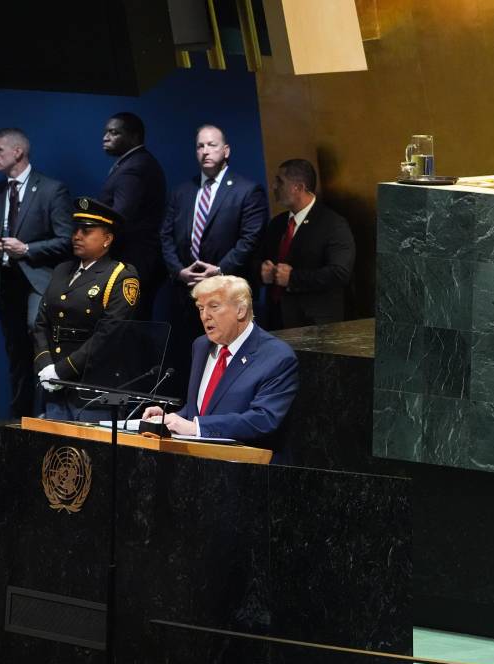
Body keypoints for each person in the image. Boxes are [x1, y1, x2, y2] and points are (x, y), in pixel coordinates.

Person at [159, 124, 268, 393]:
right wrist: (179, 271)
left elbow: (250, 239)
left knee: (227, 369)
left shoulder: (247, 190)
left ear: (226, 150)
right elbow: (166, 236)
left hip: (227, 295)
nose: (205, 151)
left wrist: (219, 271)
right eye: (200, 146)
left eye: (212, 145)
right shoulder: (182, 191)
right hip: (185, 295)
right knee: (186, 366)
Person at [0, 127, 74, 419]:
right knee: (16, 354)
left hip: (38, 283)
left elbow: (66, 240)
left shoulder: (51, 190)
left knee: (38, 341)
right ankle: (19, 419)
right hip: (6, 284)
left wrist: (27, 249)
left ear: (17, 151)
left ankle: (48, 415)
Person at [141, 275, 297, 456]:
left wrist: (196, 427)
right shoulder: (201, 346)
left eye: (214, 306)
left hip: (243, 464)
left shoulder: (277, 356)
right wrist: (171, 418)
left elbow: (263, 419)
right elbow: (202, 409)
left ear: (240, 310)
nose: (204, 316)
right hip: (194, 461)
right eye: (201, 308)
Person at [32, 198, 141, 421]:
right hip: (55, 387)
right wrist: (45, 365)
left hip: (94, 390)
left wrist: (63, 370)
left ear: (107, 239)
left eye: (87, 231)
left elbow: (108, 334)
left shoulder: (120, 276)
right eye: (76, 230)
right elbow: (42, 322)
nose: (77, 236)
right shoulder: (62, 270)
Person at [259, 159, 355, 329]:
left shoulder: (333, 224)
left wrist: (293, 278)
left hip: (314, 325)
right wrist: (262, 271)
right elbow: (260, 258)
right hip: (278, 320)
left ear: (298, 187)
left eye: (280, 181)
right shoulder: (277, 224)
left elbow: (340, 273)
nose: (273, 186)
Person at [99, 112, 166, 318]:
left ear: (134, 136)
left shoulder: (135, 167)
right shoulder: (134, 163)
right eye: (106, 132)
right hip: (136, 262)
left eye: (114, 133)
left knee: (129, 325)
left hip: (134, 262)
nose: (105, 137)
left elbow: (120, 217)